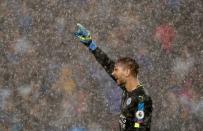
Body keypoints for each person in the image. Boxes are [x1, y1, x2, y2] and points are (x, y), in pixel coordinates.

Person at [74, 24, 153, 131]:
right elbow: (107, 64)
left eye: (116, 70)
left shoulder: (141, 99)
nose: (113, 73)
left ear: (127, 72)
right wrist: (91, 45)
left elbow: (140, 127)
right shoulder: (128, 90)